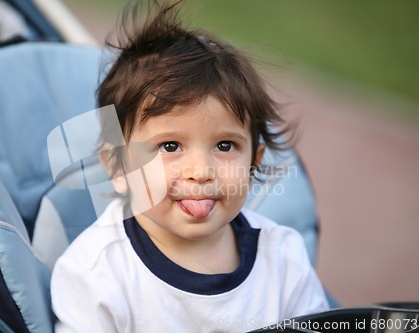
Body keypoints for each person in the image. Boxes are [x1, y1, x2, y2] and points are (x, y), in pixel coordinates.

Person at [51, 1, 329, 332]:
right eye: (170, 146)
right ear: (118, 167)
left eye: (225, 146)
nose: (201, 170)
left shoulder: (283, 257)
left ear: (254, 163)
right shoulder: (95, 273)